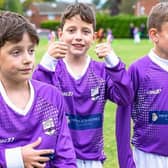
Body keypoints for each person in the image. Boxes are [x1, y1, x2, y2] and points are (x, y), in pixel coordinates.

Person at [33, 2, 133, 168]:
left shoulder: (101, 71)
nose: (78, 36)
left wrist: (114, 63)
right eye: (71, 30)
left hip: (93, 159)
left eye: (85, 31)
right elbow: (36, 100)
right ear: (60, 34)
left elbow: (125, 96)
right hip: (59, 158)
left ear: (93, 37)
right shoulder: (53, 71)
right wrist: (46, 63)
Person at [0, 11, 76, 168]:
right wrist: (16, 158)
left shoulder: (51, 96)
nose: (28, 59)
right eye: (16, 52)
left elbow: (65, 155)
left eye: (31, 50)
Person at [116, 2, 168, 168]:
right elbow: (122, 120)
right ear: (154, 34)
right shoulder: (138, 70)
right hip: (148, 157)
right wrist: (125, 162)